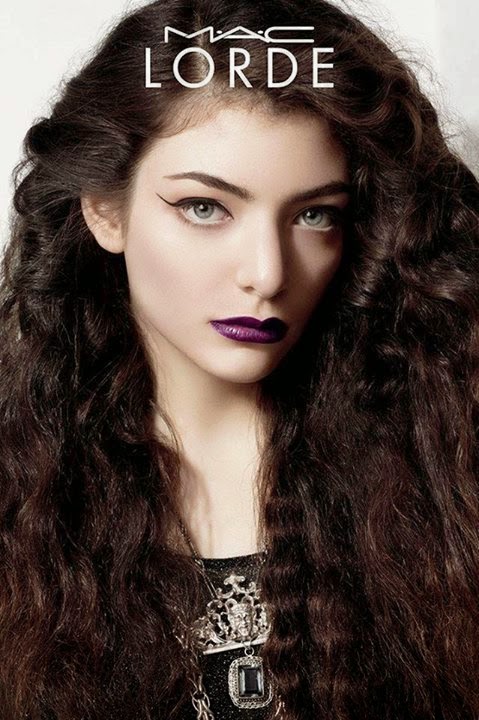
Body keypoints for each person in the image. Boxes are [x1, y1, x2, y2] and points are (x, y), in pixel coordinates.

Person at [1, 0, 478, 718]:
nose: (267, 273)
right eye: (205, 207)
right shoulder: (21, 491)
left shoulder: (444, 468)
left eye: (314, 215)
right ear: (106, 209)